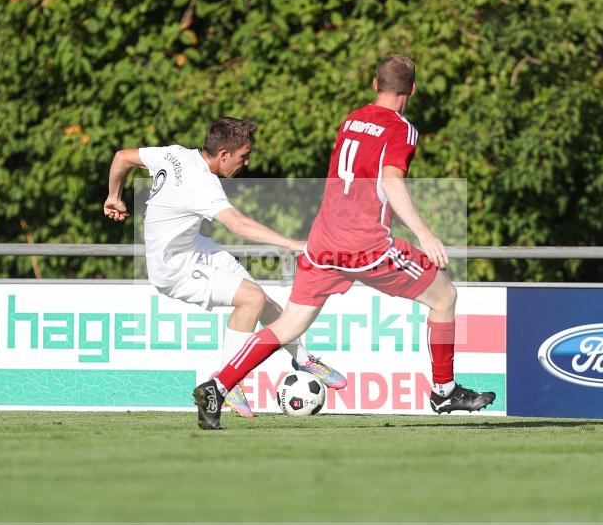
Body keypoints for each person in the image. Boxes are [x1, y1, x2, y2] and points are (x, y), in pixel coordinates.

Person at [193, 57, 495, 429]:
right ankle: (444, 391)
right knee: (444, 296)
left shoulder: (352, 119)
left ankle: (218, 386)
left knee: (288, 326)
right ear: (412, 90)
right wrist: (424, 233)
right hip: (366, 246)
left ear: (375, 84)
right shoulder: (402, 129)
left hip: (323, 242)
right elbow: (391, 182)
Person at [104, 117, 346, 418]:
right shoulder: (201, 183)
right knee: (252, 299)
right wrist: (292, 244)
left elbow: (122, 157)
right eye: (244, 156)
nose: (246, 163)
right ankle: (226, 384)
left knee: (262, 300)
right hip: (174, 269)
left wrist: (114, 196)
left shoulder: (175, 154)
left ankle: (303, 359)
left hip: (194, 248)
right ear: (223, 155)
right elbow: (238, 225)